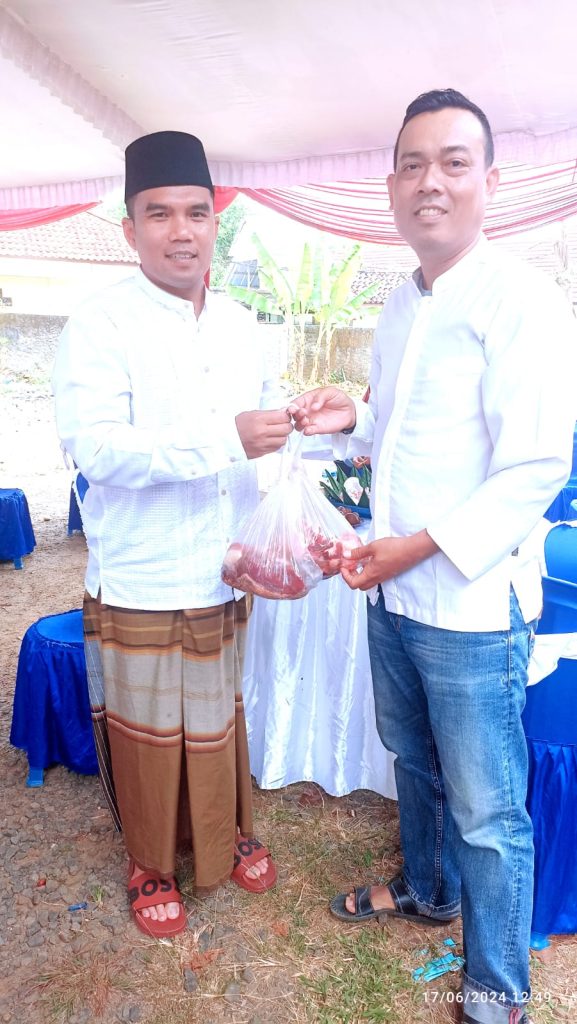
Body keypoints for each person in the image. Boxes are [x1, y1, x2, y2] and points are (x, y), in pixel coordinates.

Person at [288, 89, 577, 1024]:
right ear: (390, 185)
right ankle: (427, 891)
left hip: (468, 604)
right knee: (412, 758)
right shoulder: (400, 300)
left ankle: (495, 988)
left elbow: (533, 465)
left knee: (488, 811)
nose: (430, 182)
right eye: (411, 164)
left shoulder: (521, 299)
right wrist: (352, 416)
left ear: (489, 181)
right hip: (392, 590)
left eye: (453, 162)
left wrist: (410, 550)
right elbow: (404, 426)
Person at [53, 130, 292, 938]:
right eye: (159, 214)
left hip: (222, 566)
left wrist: (291, 443)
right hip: (144, 572)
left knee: (220, 715)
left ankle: (226, 832)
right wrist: (225, 438)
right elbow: (99, 451)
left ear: (216, 222)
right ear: (130, 229)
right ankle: (149, 861)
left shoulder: (242, 325)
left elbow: (259, 441)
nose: (181, 231)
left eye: (196, 212)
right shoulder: (99, 325)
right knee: (149, 733)